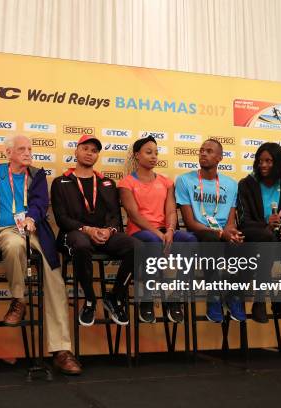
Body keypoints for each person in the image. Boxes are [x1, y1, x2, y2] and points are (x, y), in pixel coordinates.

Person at [0, 135, 81, 375]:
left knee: (54, 280)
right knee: (13, 246)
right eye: (21, 149)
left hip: (35, 231)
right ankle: (19, 300)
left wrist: (32, 217)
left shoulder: (37, 175)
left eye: (30, 149)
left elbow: (40, 202)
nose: (27, 152)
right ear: (8, 153)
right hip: (5, 230)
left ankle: (61, 350)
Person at [51, 135, 137, 327]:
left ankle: (115, 296)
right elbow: (61, 218)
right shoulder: (60, 182)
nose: (90, 153)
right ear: (76, 151)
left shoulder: (107, 183)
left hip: (103, 234)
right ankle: (90, 300)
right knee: (81, 244)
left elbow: (115, 215)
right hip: (74, 234)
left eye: (94, 150)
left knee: (137, 247)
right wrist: (87, 229)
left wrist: (109, 231)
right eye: (85, 148)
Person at [119, 136, 197, 323]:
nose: (153, 156)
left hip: (164, 230)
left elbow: (170, 210)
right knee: (153, 242)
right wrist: (158, 234)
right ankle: (146, 299)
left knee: (190, 240)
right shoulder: (126, 182)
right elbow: (134, 214)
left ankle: (174, 296)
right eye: (148, 152)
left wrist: (170, 231)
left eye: (156, 152)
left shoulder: (166, 182)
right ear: (137, 155)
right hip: (139, 232)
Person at [175, 138, 245, 323]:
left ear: (220, 158)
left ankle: (234, 297)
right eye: (201, 150)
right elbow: (190, 222)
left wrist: (231, 233)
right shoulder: (185, 180)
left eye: (209, 151)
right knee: (211, 240)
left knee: (241, 244)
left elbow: (230, 222)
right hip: (201, 232)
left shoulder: (231, 184)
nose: (203, 153)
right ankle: (213, 298)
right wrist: (220, 233)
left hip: (221, 233)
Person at [236, 142, 281, 325]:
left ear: (279, 163)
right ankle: (259, 301)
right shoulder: (246, 184)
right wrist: (266, 224)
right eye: (260, 161)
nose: (263, 165)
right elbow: (243, 221)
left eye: (268, 161)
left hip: (276, 237)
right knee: (267, 239)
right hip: (254, 235)